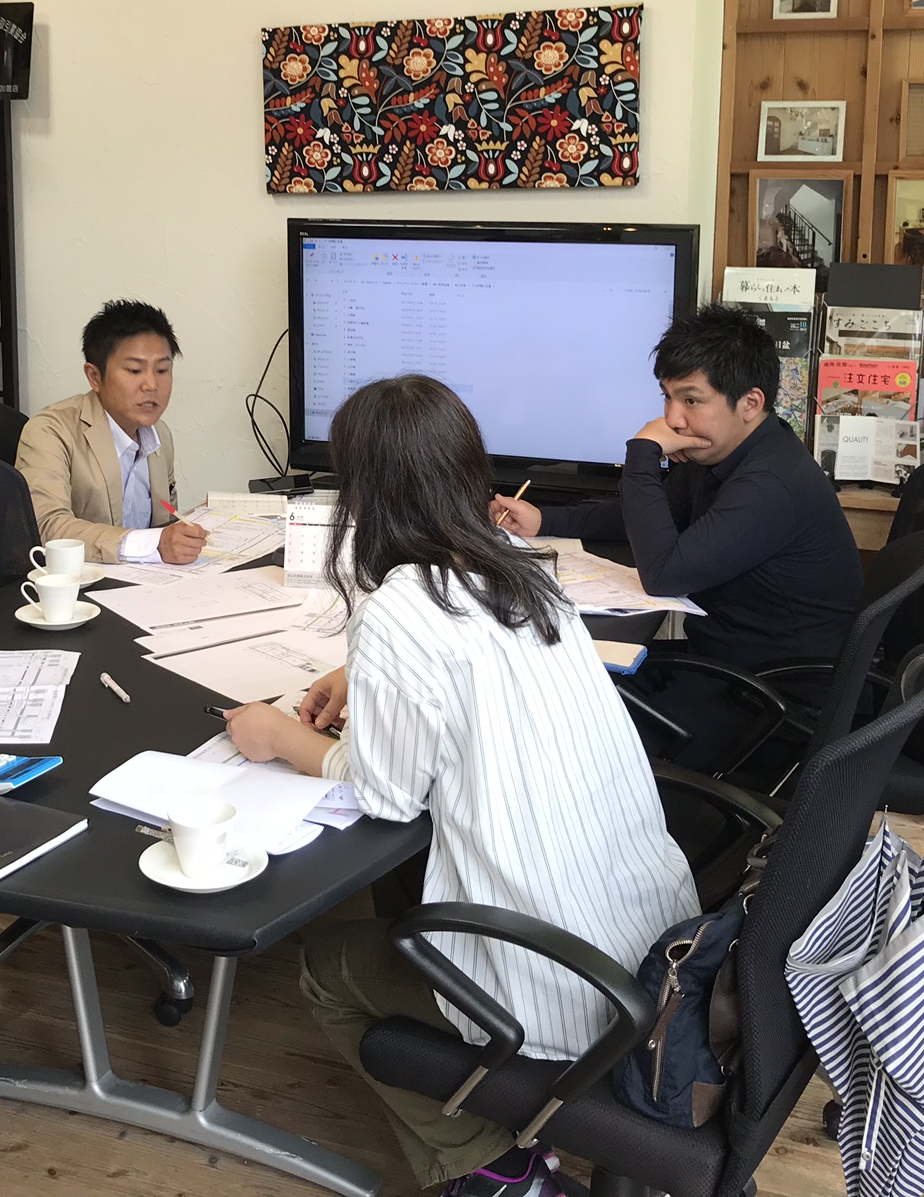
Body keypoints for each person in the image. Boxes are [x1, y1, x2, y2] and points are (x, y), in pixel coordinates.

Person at [222, 374, 698, 1197]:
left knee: (327, 970)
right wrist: (362, 675)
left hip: (560, 983)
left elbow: (386, 796)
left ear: (363, 493)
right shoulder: (524, 572)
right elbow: (477, 674)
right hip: (652, 950)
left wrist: (276, 736)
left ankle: (491, 1170)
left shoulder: (397, 608)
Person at [491, 302, 861, 672]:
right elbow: (642, 516)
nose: (672, 419)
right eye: (667, 396)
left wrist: (642, 452)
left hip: (768, 686)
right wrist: (544, 520)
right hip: (724, 660)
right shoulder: (725, 452)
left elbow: (664, 576)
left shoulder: (772, 484)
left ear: (750, 403)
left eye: (691, 400)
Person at [15, 299, 208, 565]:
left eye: (162, 370)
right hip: (81, 583)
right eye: (135, 370)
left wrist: (190, 531)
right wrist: (151, 543)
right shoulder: (50, 431)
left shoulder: (160, 435)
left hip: (148, 582)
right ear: (94, 377)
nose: (151, 385)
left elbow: (166, 521)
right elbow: (46, 526)